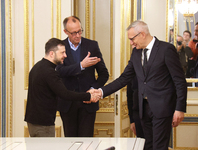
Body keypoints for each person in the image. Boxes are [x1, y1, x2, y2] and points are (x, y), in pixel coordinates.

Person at [91, 20, 187, 150]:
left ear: (142, 34)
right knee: (146, 146)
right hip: (143, 108)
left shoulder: (166, 49)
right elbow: (124, 78)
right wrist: (101, 91)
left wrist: (179, 108)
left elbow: (179, 80)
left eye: (132, 39)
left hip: (162, 108)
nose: (131, 43)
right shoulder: (136, 52)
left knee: (159, 147)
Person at [24, 38, 99, 137]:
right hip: (43, 124)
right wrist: (88, 96)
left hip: (33, 122)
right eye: (62, 52)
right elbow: (65, 94)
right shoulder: (49, 72)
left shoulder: (37, 66)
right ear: (52, 54)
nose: (65, 55)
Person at [56, 16, 109, 137]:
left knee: (87, 142)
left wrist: (93, 89)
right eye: (74, 33)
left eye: (79, 31)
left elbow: (104, 74)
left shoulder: (92, 45)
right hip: (67, 103)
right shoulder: (60, 47)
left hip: (88, 102)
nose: (78, 35)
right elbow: (59, 71)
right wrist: (81, 65)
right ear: (66, 32)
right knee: (71, 141)